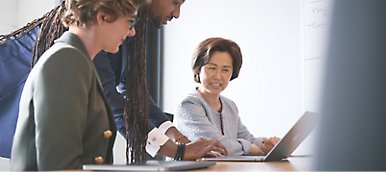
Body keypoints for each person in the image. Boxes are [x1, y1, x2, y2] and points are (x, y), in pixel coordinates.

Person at [10, 0, 146, 170]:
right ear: (103, 16)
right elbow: (60, 167)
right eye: (130, 22)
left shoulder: (77, 59)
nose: (132, 32)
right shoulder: (66, 61)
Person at [92, 0, 226, 162]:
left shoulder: (130, 30)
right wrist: (176, 150)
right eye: (175, 3)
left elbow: (135, 90)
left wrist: (175, 136)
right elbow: (108, 98)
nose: (177, 14)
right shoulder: (95, 29)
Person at [174, 37, 280, 156]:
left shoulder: (229, 105)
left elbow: (246, 138)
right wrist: (249, 147)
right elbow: (215, 145)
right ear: (198, 69)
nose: (218, 76)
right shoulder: (188, 105)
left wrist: (265, 144)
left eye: (225, 70)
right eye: (212, 68)